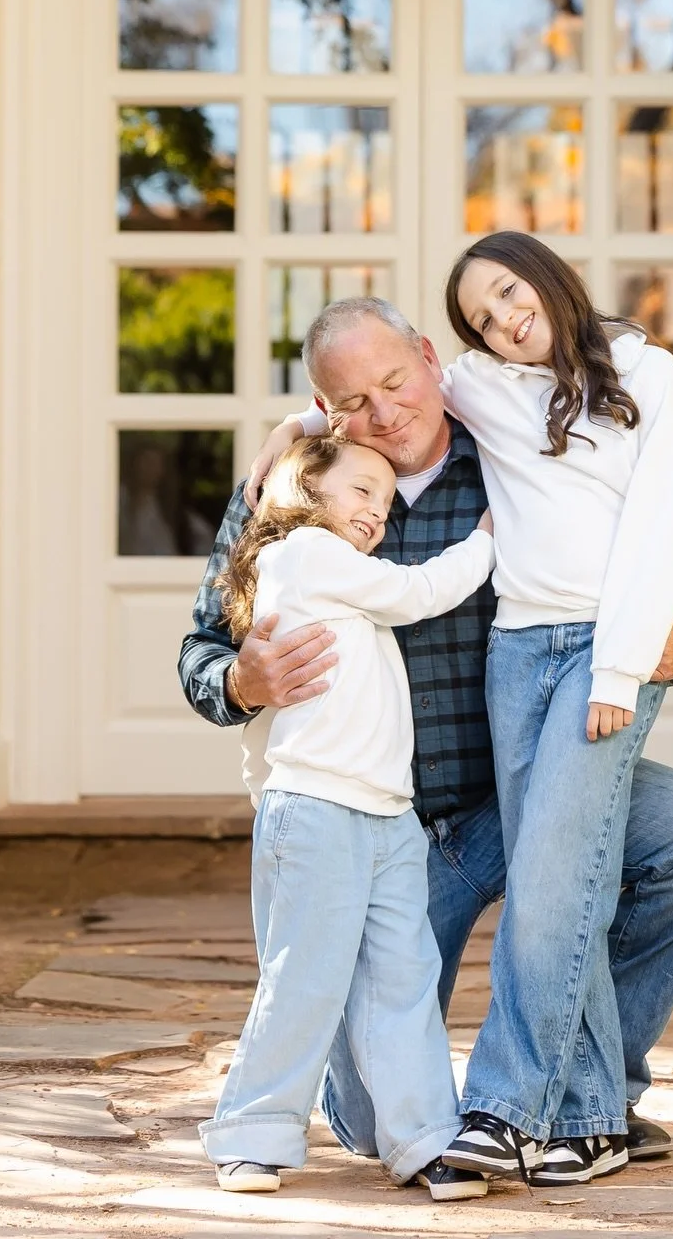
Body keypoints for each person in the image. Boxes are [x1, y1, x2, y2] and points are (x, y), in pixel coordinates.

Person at [178, 292, 673, 1187]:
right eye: (353, 402)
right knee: (375, 1123)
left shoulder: (517, 458)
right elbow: (203, 650)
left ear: (429, 359)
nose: (385, 413)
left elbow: (635, 546)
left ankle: (588, 1091)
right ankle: (386, 1099)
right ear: (327, 412)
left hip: (517, 792)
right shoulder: (287, 492)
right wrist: (238, 681)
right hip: (382, 825)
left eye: (396, 382)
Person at [201, 433, 496, 1201]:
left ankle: (427, 1137)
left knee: (402, 980)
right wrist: (486, 542)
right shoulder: (301, 552)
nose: (377, 510)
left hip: (386, 816)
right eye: (362, 489)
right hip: (320, 807)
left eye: (387, 500)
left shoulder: (344, 578)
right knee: (305, 977)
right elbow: (417, 593)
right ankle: (252, 1134)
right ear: (306, 487)